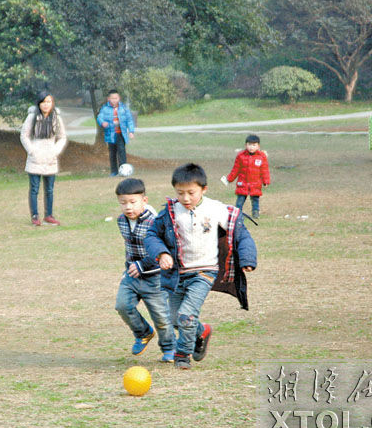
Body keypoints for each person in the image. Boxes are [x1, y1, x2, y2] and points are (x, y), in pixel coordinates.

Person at [145, 163, 257, 370]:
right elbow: (152, 235)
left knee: (186, 315)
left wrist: (248, 259)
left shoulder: (215, 209)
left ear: (204, 189)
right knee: (175, 318)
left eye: (191, 193)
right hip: (177, 274)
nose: (185, 198)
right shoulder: (169, 212)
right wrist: (161, 253)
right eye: (180, 193)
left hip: (205, 272)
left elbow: (240, 232)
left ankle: (182, 355)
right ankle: (202, 331)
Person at [113, 178, 176, 362]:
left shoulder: (155, 222)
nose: (128, 207)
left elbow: (161, 249)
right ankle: (143, 332)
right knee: (122, 306)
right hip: (132, 276)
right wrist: (130, 268)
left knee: (162, 318)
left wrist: (143, 265)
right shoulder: (121, 221)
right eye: (123, 203)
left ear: (144, 200)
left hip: (154, 278)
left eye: (133, 202)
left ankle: (169, 348)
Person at [20, 91, 67, 226]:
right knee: (34, 188)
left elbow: (62, 137)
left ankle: (49, 215)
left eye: (48, 102)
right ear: (39, 103)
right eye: (43, 102)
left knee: (49, 189)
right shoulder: (32, 117)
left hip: (50, 157)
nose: (46, 105)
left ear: (52, 103)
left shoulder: (56, 117)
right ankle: (35, 216)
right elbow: (24, 135)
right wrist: (32, 150)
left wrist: (55, 151)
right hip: (35, 158)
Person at [223, 134, 270, 219]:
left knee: (255, 200)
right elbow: (235, 169)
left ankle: (255, 213)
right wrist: (229, 179)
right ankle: (237, 214)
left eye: (254, 145)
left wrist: (266, 181)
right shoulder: (241, 156)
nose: (251, 147)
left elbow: (265, 170)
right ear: (246, 145)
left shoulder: (262, 157)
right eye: (249, 145)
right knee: (240, 200)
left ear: (258, 146)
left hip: (255, 184)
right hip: (243, 183)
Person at [97, 90, 135, 176]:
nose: (114, 100)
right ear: (108, 99)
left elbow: (129, 120)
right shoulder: (105, 108)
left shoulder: (123, 108)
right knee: (112, 153)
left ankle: (124, 170)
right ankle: (114, 171)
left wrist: (131, 131)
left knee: (121, 152)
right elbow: (100, 117)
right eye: (112, 98)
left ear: (119, 98)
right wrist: (102, 122)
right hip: (110, 135)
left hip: (121, 134)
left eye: (116, 98)